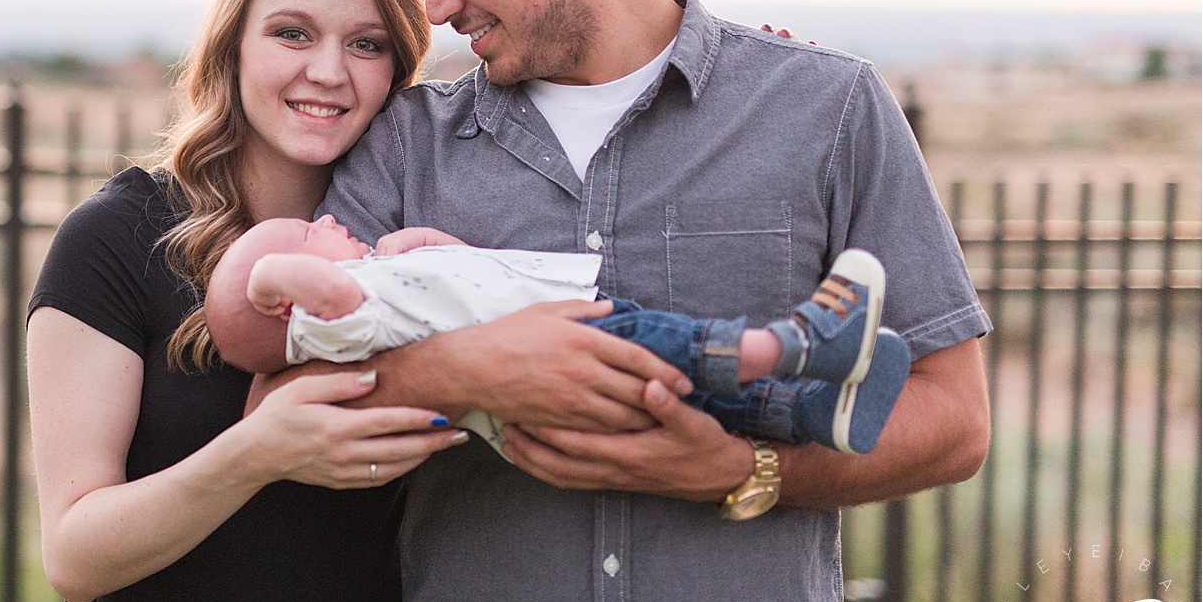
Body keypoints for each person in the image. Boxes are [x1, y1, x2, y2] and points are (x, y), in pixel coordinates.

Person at [280, 0, 992, 602]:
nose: (433, 3)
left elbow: (953, 418)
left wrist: (743, 468)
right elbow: (278, 404)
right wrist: (465, 367)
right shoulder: (408, 141)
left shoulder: (824, 112)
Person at [24, 0, 473, 602]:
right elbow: (73, 556)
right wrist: (256, 452)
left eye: (367, 44)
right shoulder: (114, 243)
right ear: (232, 46)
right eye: (292, 34)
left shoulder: (407, 248)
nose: (329, 72)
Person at [207, 214, 911, 457]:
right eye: (307, 234)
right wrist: (267, 269)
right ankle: (800, 345)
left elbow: (469, 281)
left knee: (687, 398)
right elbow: (317, 290)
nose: (326, 225)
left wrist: (429, 244)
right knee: (675, 344)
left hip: (552, 389)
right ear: (284, 306)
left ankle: (803, 413)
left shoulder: (374, 299)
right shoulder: (338, 315)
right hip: (577, 335)